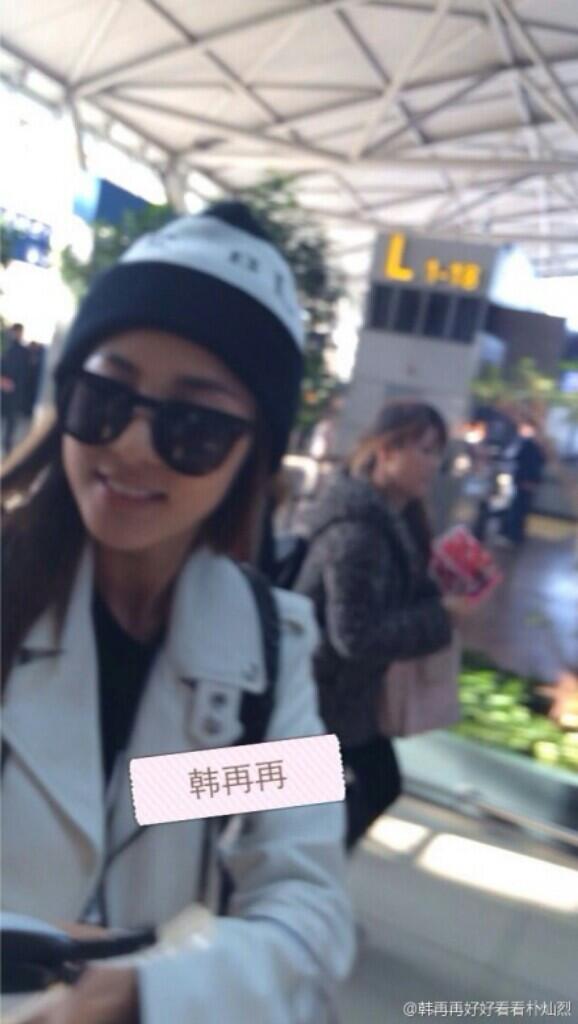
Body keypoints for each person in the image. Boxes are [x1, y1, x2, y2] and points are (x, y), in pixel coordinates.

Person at [1, 203, 354, 1023]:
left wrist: (150, 990)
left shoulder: (270, 654)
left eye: (193, 425)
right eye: (104, 396)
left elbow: (309, 907)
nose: (130, 446)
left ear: (253, 454)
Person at [296, 402, 469, 850]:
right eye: (424, 450)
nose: (434, 464)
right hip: (316, 701)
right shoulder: (359, 530)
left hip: (340, 703)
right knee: (227, 802)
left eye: (438, 453)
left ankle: (289, 878)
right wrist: (442, 618)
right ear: (386, 450)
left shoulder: (396, 522)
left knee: (366, 788)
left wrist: (443, 592)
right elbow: (355, 635)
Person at [498, 416, 547, 546]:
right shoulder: (522, 442)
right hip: (519, 480)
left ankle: (513, 536)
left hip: (524, 482)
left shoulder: (532, 445)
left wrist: (529, 480)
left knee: (518, 509)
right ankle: (510, 534)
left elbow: (532, 464)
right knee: (515, 507)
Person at [1, 323, 29, 453]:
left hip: (15, 391)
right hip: (3, 387)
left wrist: (16, 386)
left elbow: (24, 373)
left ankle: (7, 444)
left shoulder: (23, 351)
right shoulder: (5, 347)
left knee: (11, 420)